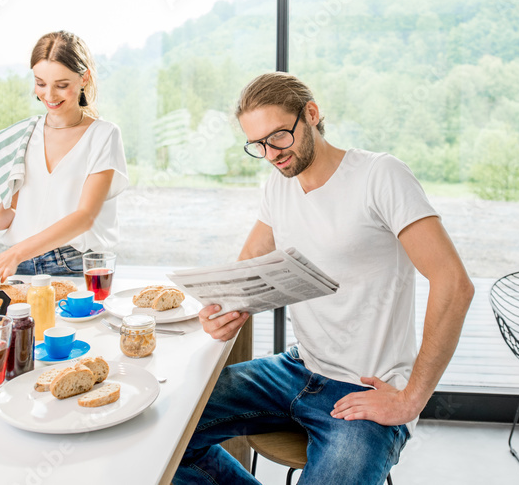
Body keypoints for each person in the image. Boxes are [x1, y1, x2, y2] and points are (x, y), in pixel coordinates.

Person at [175, 73, 475, 485]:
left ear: (311, 115)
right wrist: (221, 310)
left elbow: (454, 284)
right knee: (167, 424)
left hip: (368, 388)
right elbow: (245, 271)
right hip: (297, 369)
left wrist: (412, 398)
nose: (270, 154)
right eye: (257, 145)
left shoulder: (380, 175)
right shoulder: (278, 188)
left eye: (278, 136)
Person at [0, 31, 129, 290]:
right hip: (21, 265)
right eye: (40, 83)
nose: (49, 95)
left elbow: (85, 217)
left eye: (61, 84)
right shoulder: (26, 134)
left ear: (84, 78)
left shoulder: (103, 135)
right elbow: (14, 207)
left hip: (75, 265)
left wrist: (15, 253)